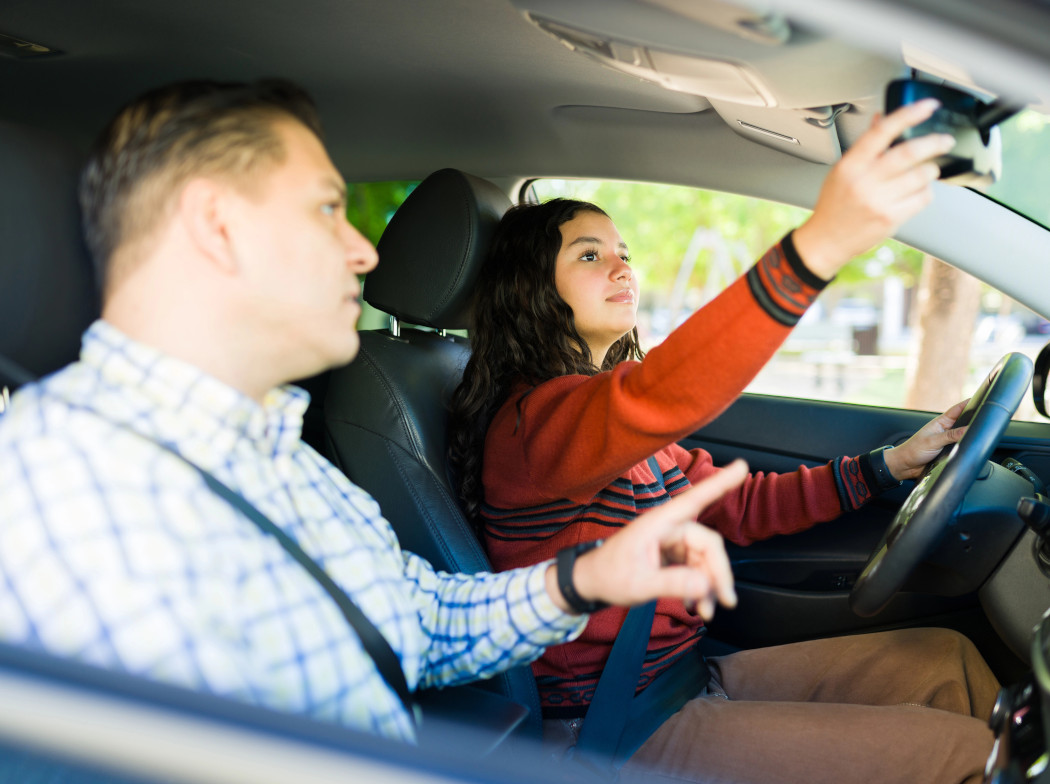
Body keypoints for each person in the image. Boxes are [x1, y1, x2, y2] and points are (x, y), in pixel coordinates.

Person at [0, 79, 745, 745]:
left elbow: (417, 621)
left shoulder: (280, 454)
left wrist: (579, 580)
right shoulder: (56, 500)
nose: (363, 250)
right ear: (216, 225)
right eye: (329, 208)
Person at [448, 100, 1001, 784]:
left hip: (681, 678)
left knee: (945, 663)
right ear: (530, 290)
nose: (622, 269)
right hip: (613, 727)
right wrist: (816, 248)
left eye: (624, 253)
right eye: (590, 256)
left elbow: (737, 504)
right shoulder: (538, 424)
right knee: (966, 757)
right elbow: (666, 390)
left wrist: (892, 464)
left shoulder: (603, 414)